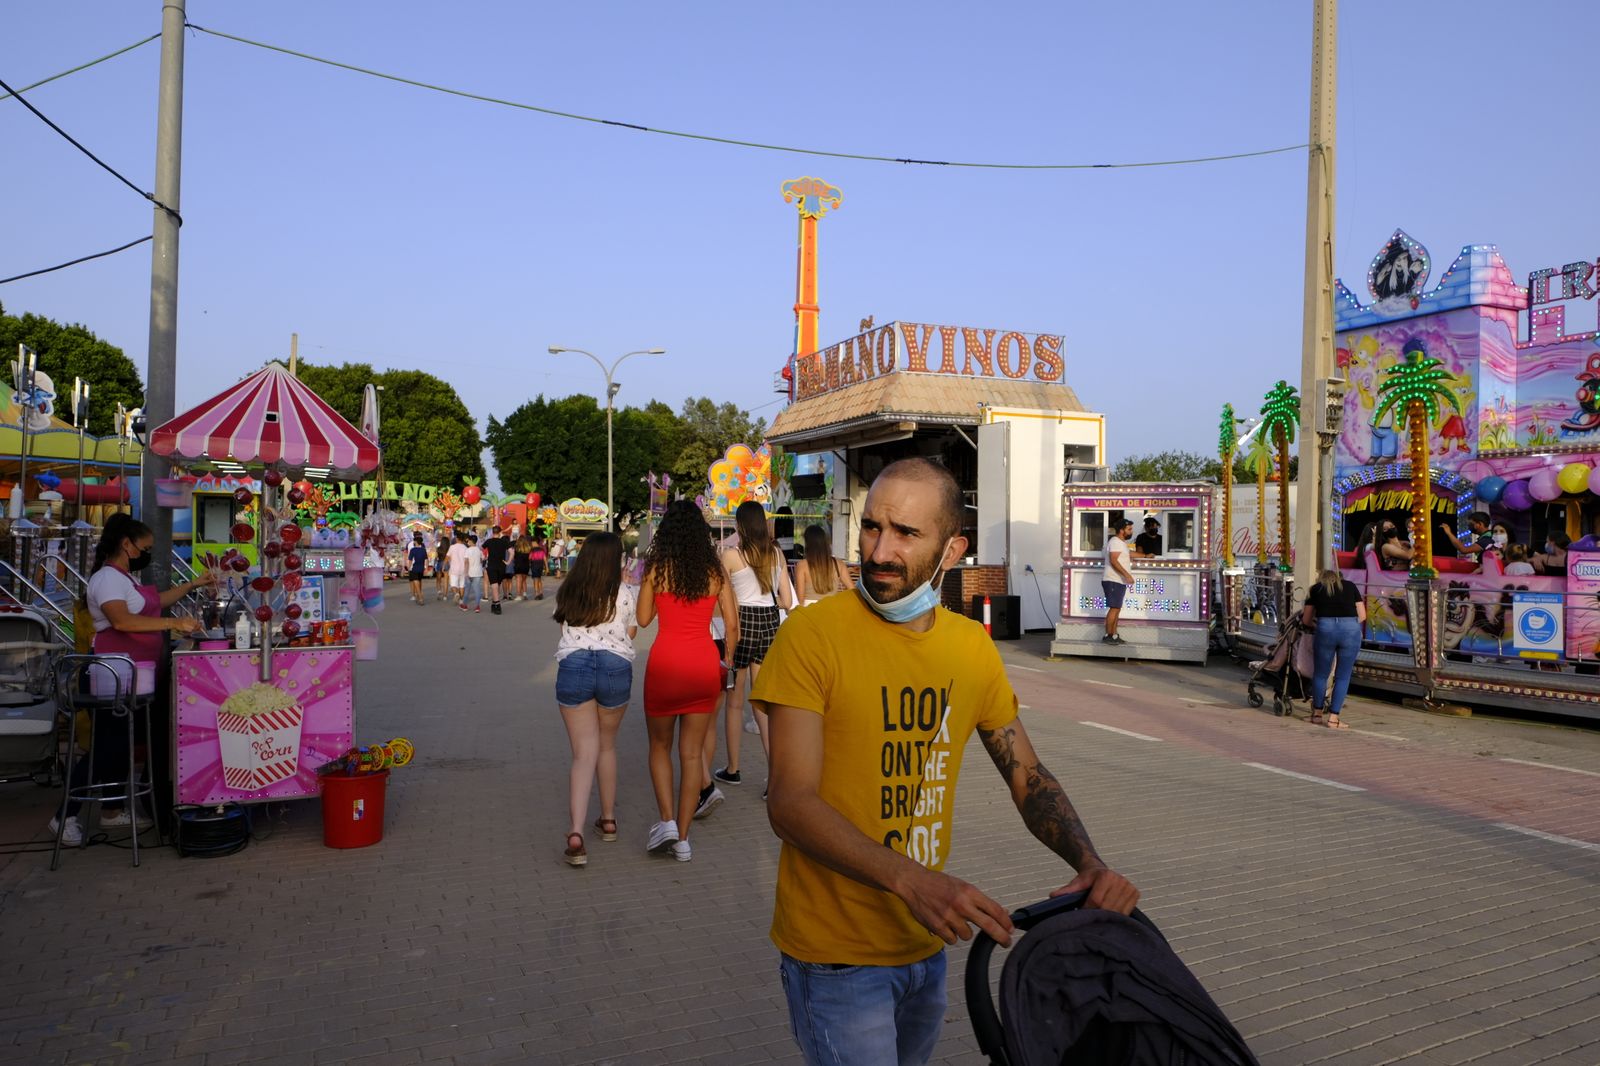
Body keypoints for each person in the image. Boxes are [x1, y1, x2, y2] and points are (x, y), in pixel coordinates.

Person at [753, 458, 1139, 1064]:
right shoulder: (812, 636)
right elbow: (789, 802)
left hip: (926, 947)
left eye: (906, 533)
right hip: (836, 959)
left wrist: (1090, 864)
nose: (880, 551)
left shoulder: (969, 649)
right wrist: (914, 881)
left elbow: (1027, 776)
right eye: (873, 527)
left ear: (952, 549)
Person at [55, 515, 211, 845]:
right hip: (112, 674)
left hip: (136, 674)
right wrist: (173, 624)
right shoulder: (107, 579)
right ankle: (64, 815)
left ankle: (111, 811)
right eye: (145, 548)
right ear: (126, 544)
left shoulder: (126, 579)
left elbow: (156, 603)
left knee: (125, 743)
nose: (146, 554)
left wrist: (193, 584)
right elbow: (123, 621)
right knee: (106, 746)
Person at [637, 501, 739, 862]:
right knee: (692, 754)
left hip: (665, 664)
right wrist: (727, 660)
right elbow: (732, 625)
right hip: (703, 665)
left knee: (659, 747)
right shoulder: (714, 570)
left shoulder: (657, 568)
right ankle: (683, 839)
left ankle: (665, 821)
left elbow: (643, 619)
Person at [552, 532, 637, 867]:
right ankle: (609, 820)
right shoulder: (625, 593)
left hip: (574, 666)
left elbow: (563, 628)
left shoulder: (569, 590)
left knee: (582, 754)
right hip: (615, 667)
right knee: (607, 746)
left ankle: (576, 833)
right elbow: (630, 632)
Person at [713, 500, 795, 792]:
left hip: (742, 625)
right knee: (761, 702)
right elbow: (787, 601)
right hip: (769, 625)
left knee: (734, 702)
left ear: (740, 526)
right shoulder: (776, 554)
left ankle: (733, 768)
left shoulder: (731, 556)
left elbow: (724, 599)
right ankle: (775, 777)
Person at [1301, 568, 1367, 730]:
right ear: (1339, 578)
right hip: (1350, 631)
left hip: (1326, 630)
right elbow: (1362, 615)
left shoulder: (1315, 589)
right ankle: (1333, 719)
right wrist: (1347, 624)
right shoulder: (1350, 586)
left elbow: (1306, 620)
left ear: (1321, 579)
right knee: (1343, 677)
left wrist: (1318, 624)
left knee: (1320, 675)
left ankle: (1317, 715)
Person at [793, 523, 851, 606]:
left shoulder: (802, 565)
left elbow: (800, 599)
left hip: (809, 610)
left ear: (807, 543)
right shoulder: (839, 564)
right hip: (831, 609)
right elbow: (852, 591)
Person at [1102, 516, 1135, 645]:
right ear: (1121, 530)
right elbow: (1113, 560)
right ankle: (1108, 635)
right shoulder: (1115, 542)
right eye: (1129, 529)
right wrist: (1127, 575)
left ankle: (1114, 635)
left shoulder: (1121, 543)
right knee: (1114, 608)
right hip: (1113, 580)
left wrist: (1146, 555)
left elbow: (1129, 554)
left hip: (1118, 581)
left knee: (1117, 608)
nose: (1131, 531)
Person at [482, 526, 511, 615]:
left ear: (492, 532)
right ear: (500, 532)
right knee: (497, 585)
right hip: (501, 566)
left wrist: (484, 557)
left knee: (494, 585)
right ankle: (494, 603)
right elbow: (512, 552)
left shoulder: (488, 541)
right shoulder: (504, 542)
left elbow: (482, 549)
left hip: (492, 565)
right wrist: (508, 562)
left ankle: (497, 605)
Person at [461, 534, 484, 614]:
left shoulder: (468, 550)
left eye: (468, 541)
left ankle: (464, 605)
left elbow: (466, 562)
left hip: (470, 572)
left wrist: (466, 572)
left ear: (471, 541)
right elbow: (482, 560)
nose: (467, 542)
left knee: (467, 590)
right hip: (478, 572)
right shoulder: (479, 550)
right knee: (477, 590)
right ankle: (477, 606)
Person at [446, 532, 469, 605]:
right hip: (463, 569)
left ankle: (456, 593)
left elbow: (447, 557)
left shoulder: (452, 547)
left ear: (457, 539)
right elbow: (467, 560)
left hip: (454, 569)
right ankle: (461, 600)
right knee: (462, 585)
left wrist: (444, 565)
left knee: (453, 585)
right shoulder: (465, 548)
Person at [406, 533, 428, 606]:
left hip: (414, 568)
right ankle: (419, 596)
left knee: (415, 582)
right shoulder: (423, 550)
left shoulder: (413, 550)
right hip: (421, 568)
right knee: (419, 581)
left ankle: (420, 597)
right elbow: (426, 559)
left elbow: (410, 560)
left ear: (416, 542)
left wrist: (409, 568)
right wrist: (426, 568)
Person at [512, 535, 532, 600]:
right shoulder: (528, 548)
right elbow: (530, 558)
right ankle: (525, 594)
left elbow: (513, 556)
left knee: (518, 580)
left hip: (518, 565)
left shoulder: (516, 548)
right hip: (526, 566)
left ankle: (518, 595)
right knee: (524, 580)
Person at [529, 535, 549, 600]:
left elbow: (529, 558)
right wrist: (547, 568)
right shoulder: (542, 549)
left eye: (532, 543)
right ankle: (541, 592)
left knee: (535, 580)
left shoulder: (532, 550)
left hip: (534, 565)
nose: (531, 544)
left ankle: (536, 594)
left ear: (534, 542)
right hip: (540, 566)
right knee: (539, 579)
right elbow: (545, 559)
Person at [433, 533, 452, 602]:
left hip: (439, 563)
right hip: (447, 563)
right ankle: (445, 596)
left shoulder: (438, 549)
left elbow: (436, 557)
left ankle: (439, 591)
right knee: (446, 580)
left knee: (438, 578)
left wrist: (434, 564)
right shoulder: (449, 549)